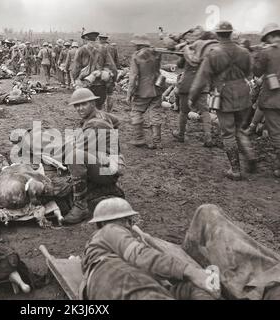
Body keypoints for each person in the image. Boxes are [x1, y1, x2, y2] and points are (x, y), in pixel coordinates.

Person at [80, 198, 218, 300]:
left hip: (132, 282)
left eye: (130, 220)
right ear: (104, 223)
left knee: (193, 289)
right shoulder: (109, 230)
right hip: (113, 275)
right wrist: (191, 271)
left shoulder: (114, 244)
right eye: (125, 220)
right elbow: (142, 256)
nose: (129, 225)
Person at [189, 21, 257, 180]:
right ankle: (251, 156)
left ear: (218, 35)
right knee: (239, 129)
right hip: (244, 93)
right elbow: (250, 72)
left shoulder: (213, 54)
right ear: (231, 33)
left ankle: (235, 170)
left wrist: (192, 98)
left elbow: (201, 79)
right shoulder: (245, 52)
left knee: (228, 133)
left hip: (224, 95)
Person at [64, 88, 125, 225]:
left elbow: (76, 151)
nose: (79, 108)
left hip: (108, 170)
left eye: (83, 104)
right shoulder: (101, 115)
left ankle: (80, 206)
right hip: (110, 162)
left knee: (74, 157)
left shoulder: (95, 124)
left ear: (92, 103)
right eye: (77, 105)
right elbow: (117, 121)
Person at [172, 27, 214, 147]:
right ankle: (208, 137)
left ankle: (181, 134)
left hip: (187, 84)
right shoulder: (209, 51)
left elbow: (179, 65)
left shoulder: (189, 49)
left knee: (184, 111)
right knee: (204, 111)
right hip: (202, 85)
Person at [126, 35, 164, 149]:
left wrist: (129, 94)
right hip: (157, 87)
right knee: (155, 113)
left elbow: (133, 77)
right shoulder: (157, 54)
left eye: (136, 45)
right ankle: (157, 141)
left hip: (143, 89)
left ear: (139, 45)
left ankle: (139, 138)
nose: (134, 47)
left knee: (136, 111)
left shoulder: (136, 56)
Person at [253, 23, 280, 178]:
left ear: (268, 37)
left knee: (276, 133)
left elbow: (257, 71)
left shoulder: (267, 52)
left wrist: (258, 53)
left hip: (272, 99)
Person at [72, 31, 117, 110]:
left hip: (85, 83)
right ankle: (99, 119)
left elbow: (76, 67)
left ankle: (90, 120)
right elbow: (112, 66)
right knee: (99, 105)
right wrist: (113, 80)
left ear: (86, 38)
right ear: (96, 38)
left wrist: (76, 79)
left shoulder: (81, 50)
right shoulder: (104, 49)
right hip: (100, 83)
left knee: (86, 105)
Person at [98, 34, 118, 112]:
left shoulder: (97, 48)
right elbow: (116, 61)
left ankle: (101, 112)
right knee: (110, 94)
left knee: (101, 93)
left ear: (99, 38)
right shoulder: (113, 48)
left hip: (101, 73)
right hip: (111, 72)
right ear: (106, 38)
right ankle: (109, 112)